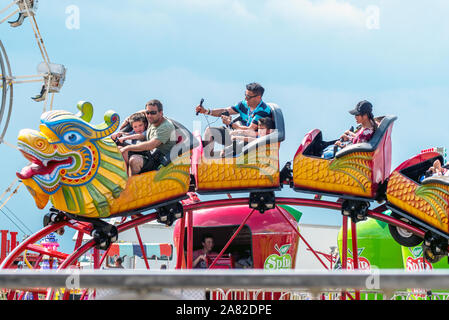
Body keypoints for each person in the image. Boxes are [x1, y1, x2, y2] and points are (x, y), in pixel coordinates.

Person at [195, 82, 272, 156]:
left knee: (226, 152)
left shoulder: (263, 111)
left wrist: (231, 124)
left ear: (258, 97)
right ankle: (207, 158)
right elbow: (225, 110)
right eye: (245, 95)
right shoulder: (243, 104)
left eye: (248, 97)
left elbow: (250, 130)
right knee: (209, 131)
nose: (245, 98)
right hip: (237, 135)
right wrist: (206, 111)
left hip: (249, 142)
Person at [119, 99, 176, 175]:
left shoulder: (166, 126)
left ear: (161, 113)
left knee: (134, 160)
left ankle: (131, 184)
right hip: (148, 154)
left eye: (153, 113)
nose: (149, 115)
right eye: (147, 113)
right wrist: (128, 119)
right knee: (119, 150)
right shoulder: (152, 119)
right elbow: (142, 111)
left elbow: (151, 145)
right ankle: (123, 178)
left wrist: (128, 148)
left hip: (159, 161)